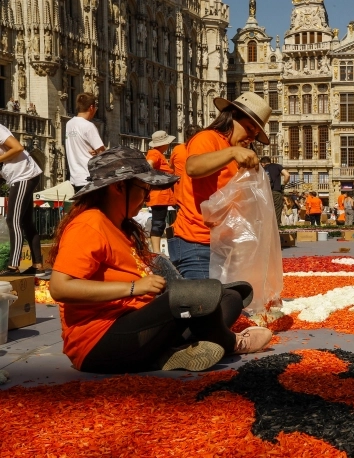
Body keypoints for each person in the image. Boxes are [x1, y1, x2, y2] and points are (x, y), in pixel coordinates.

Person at [48, 147, 273, 374]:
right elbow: (59, 287)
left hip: (140, 327)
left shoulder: (121, 225)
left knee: (230, 295)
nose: (147, 199)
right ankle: (229, 342)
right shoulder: (89, 224)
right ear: (118, 187)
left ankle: (172, 351)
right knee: (197, 295)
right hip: (100, 343)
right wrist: (133, 288)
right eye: (144, 190)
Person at [169, 92, 271, 279]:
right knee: (205, 303)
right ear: (232, 116)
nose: (250, 137)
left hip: (223, 244)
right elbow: (193, 167)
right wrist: (232, 152)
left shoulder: (237, 152)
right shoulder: (207, 138)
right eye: (249, 129)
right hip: (197, 243)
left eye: (255, 134)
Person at [0, 122, 44, 276]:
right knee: (26, 222)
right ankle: (37, 264)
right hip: (21, 176)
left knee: (13, 220)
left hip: (23, 176)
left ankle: (13, 266)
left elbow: (18, 148)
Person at [65, 92, 106, 193]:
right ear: (91, 107)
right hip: (90, 177)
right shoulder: (88, 126)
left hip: (75, 178)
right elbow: (103, 154)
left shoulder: (69, 124)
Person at [145, 130, 176, 254]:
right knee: (158, 224)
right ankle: (156, 252)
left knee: (161, 223)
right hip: (158, 195)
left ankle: (160, 250)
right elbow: (149, 165)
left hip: (164, 195)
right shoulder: (155, 153)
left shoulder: (159, 154)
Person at [170, 125, 202, 208]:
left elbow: (171, 168)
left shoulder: (177, 149)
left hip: (180, 194)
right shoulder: (203, 150)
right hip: (197, 193)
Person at [260, 156, 289, 225]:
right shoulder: (277, 166)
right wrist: (284, 183)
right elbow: (287, 175)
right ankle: (276, 230)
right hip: (276, 192)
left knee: (265, 212)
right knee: (277, 211)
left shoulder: (261, 169)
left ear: (262, 163)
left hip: (264, 193)